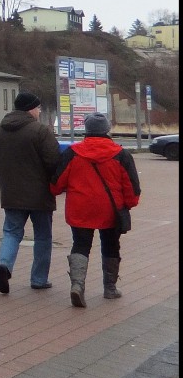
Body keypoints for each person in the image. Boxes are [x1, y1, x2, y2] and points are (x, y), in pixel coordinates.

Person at [50, 113, 141, 307]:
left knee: (80, 245)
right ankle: (109, 288)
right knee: (110, 245)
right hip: (110, 210)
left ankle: (77, 285)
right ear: (107, 130)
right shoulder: (121, 154)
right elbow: (132, 189)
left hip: (80, 208)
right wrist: (129, 204)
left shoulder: (72, 153)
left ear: (86, 129)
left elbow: (56, 184)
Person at [0, 91, 61, 294]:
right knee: (43, 237)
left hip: (11, 194)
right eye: (38, 108)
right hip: (40, 195)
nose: (39, 111)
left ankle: (4, 265)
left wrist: (5, 182)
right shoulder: (40, 131)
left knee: (11, 233)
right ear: (30, 109)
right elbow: (54, 161)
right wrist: (54, 184)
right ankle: (39, 279)